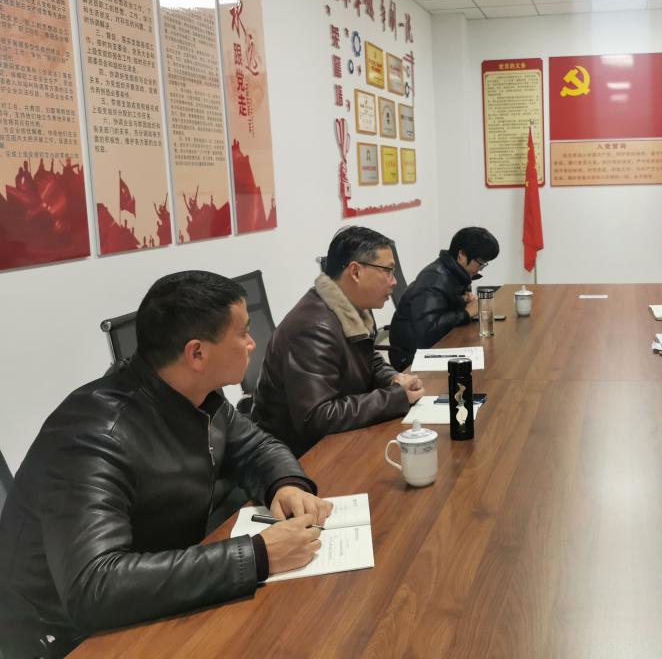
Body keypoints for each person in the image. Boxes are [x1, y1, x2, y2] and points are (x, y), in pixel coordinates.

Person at [0, 272, 332, 657]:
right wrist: (256, 555)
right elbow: (94, 586)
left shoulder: (197, 396)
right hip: (65, 640)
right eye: (243, 333)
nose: (252, 342)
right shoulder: (93, 437)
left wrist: (285, 483)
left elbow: (255, 447)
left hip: (150, 588)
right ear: (197, 354)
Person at [253, 226, 423, 457]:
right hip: (297, 456)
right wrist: (395, 397)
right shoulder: (313, 328)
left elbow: (368, 360)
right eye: (387, 271)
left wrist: (393, 378)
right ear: (355, 272)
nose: (394, 281)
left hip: (336, 440)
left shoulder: (353, 308)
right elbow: (317, 418)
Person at [387, 226, 500, 370]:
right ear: (462, 255)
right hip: (411, 357)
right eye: (480, 263)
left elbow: (441, 306)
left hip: (431, 347)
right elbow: (427, 332)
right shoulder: (434, 279)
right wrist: (466, 313)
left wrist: (462, 300)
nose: (479, 269)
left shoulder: (455, 272)